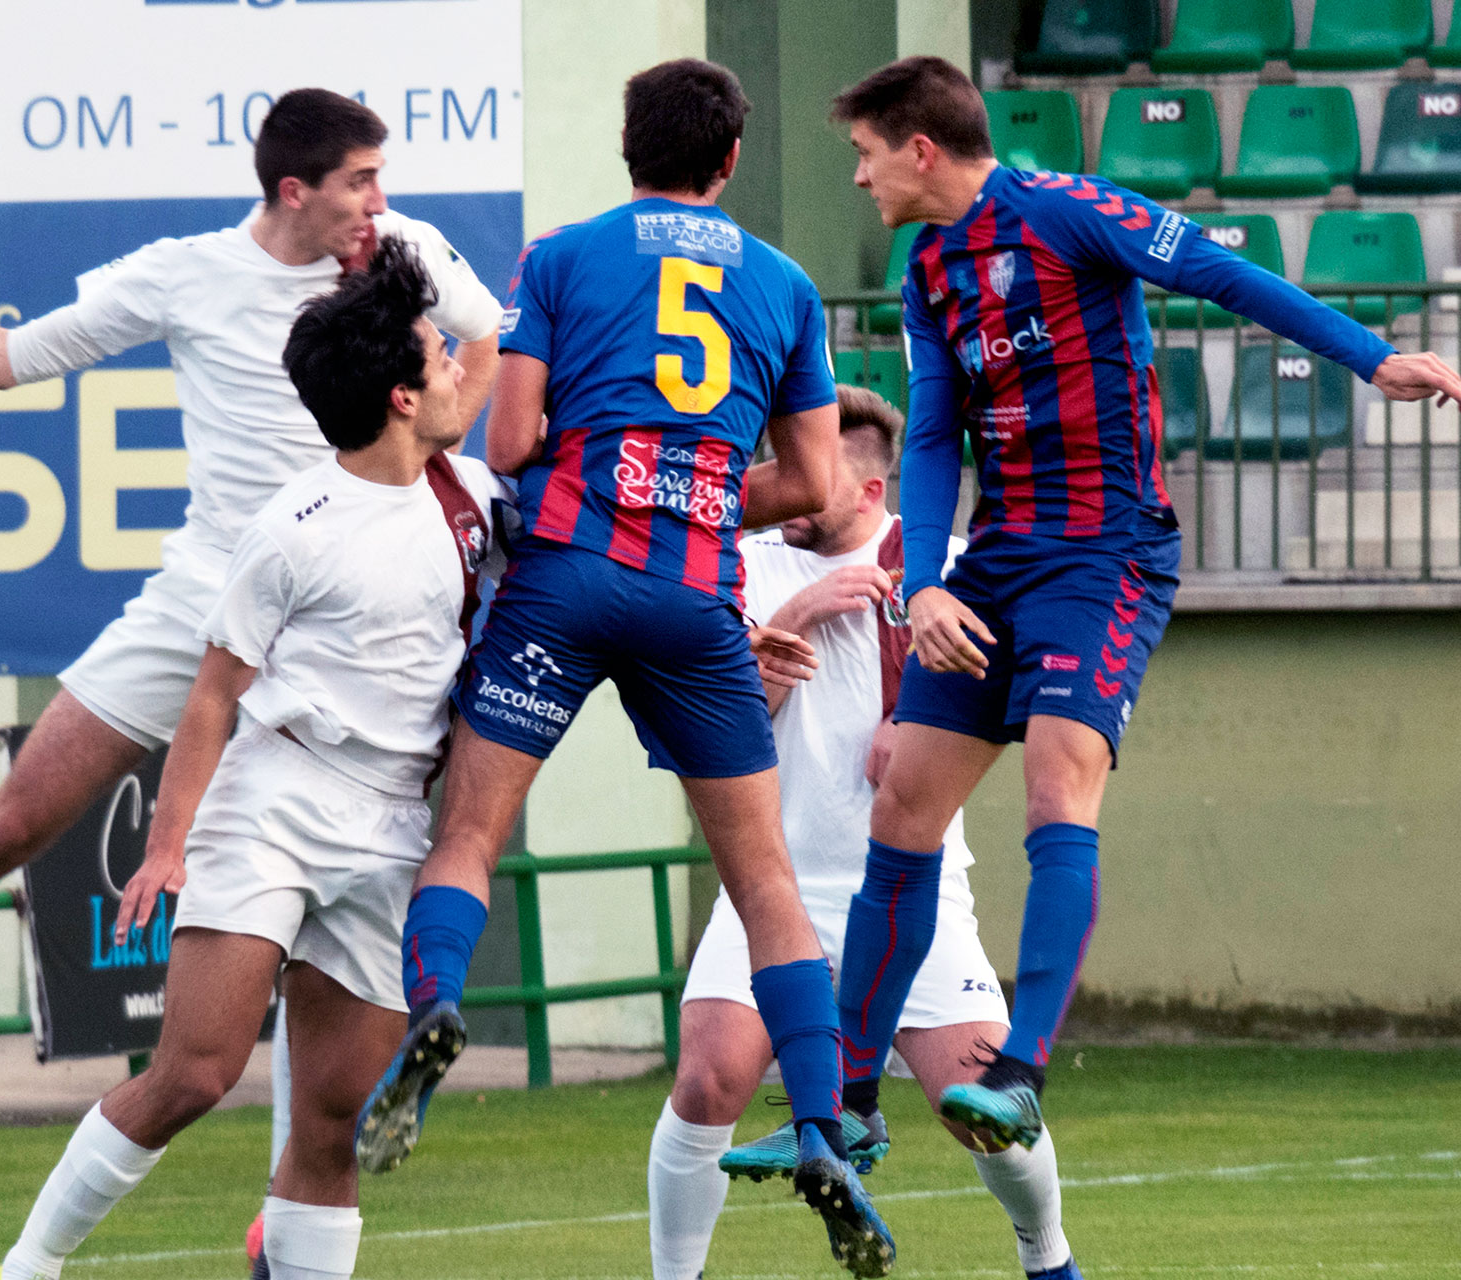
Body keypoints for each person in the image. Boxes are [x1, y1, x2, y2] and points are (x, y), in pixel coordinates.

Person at [0, 88, 501, 1132]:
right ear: (295, 189)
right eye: (361, 180)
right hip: (203, 606)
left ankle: (286, 1213)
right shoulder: (185, 275)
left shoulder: (403, 250)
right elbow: (9, 360)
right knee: (16, 818)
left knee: (315, 946)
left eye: (380, 178)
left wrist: (443, 446)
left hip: (341, 628)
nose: (381, 200)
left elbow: (487, 337)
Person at [824, 56, 1461, 1154]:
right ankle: (841, 1104)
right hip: (997, 563)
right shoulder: (927, 268)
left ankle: (1017, 1073)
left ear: (918, 148)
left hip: (1106, 554)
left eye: (864, 154)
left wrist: (1368, 358)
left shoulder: (1069, 212)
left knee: (1053, 785)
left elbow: (1221, 273)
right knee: (902, 811)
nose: (858, 178)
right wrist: (924, 579)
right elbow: (931, 436)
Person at [357, 58, 897, 1279]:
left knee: (469, 836)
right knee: (766, 887)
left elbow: (508, 439)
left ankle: (438, 999)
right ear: (730, 161)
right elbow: (813, 486)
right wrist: (705, 494)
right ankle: (820, 1126)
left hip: (566, 576)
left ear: (626, 146)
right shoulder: (788, 285)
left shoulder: (562, 257)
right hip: (695, 600)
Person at [0, 238, 509, 1280]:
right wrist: (166, 845)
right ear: (403, 397)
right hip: (274, 802)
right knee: (194, 1071)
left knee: (329, 1122)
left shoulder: (480, 501)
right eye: (438, 352)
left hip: (396, 826)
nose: (461, 361)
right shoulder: (292, 526)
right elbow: (213, 693)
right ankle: (29, 1264)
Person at [647, 386, 1080, 1280]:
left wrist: (915, 718)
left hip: (914, 887)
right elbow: (717, 725)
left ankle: (1048, 1258)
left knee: (980, 1102)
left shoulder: (952, 571)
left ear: (874, 490)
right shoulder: (742, 568)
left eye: (812, 471)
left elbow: (1015, 699)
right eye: (781, 461)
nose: (787, 486)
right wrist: (796, 619)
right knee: (709, 1079)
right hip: (770, 883)